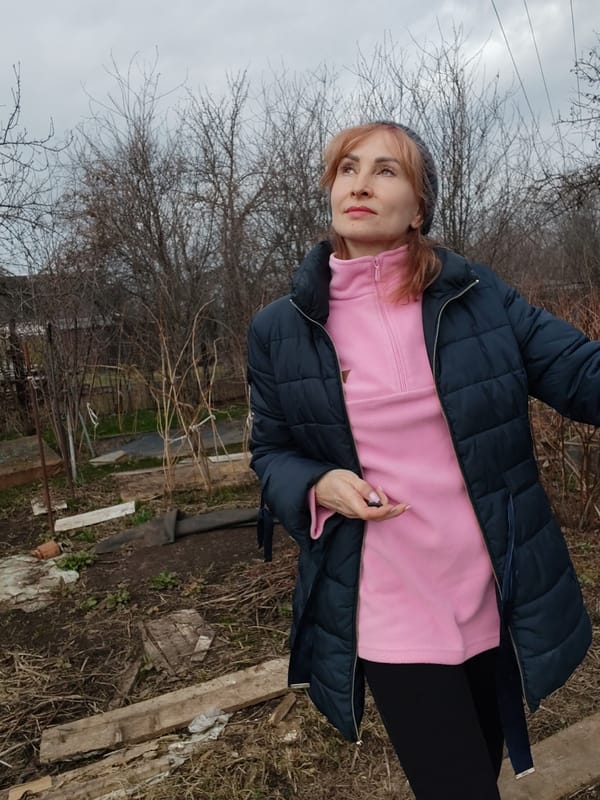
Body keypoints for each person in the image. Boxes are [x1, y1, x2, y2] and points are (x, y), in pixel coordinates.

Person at [246, 120, 600, 800]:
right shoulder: (281, 328)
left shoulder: (479, 298)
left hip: (490, 587)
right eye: (347, 168)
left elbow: (581, 373)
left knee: (479, 769)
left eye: (386, 170)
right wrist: (321, 485)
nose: (360, 184)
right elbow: (271, 452)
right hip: (389, 601)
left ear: (420, 205)